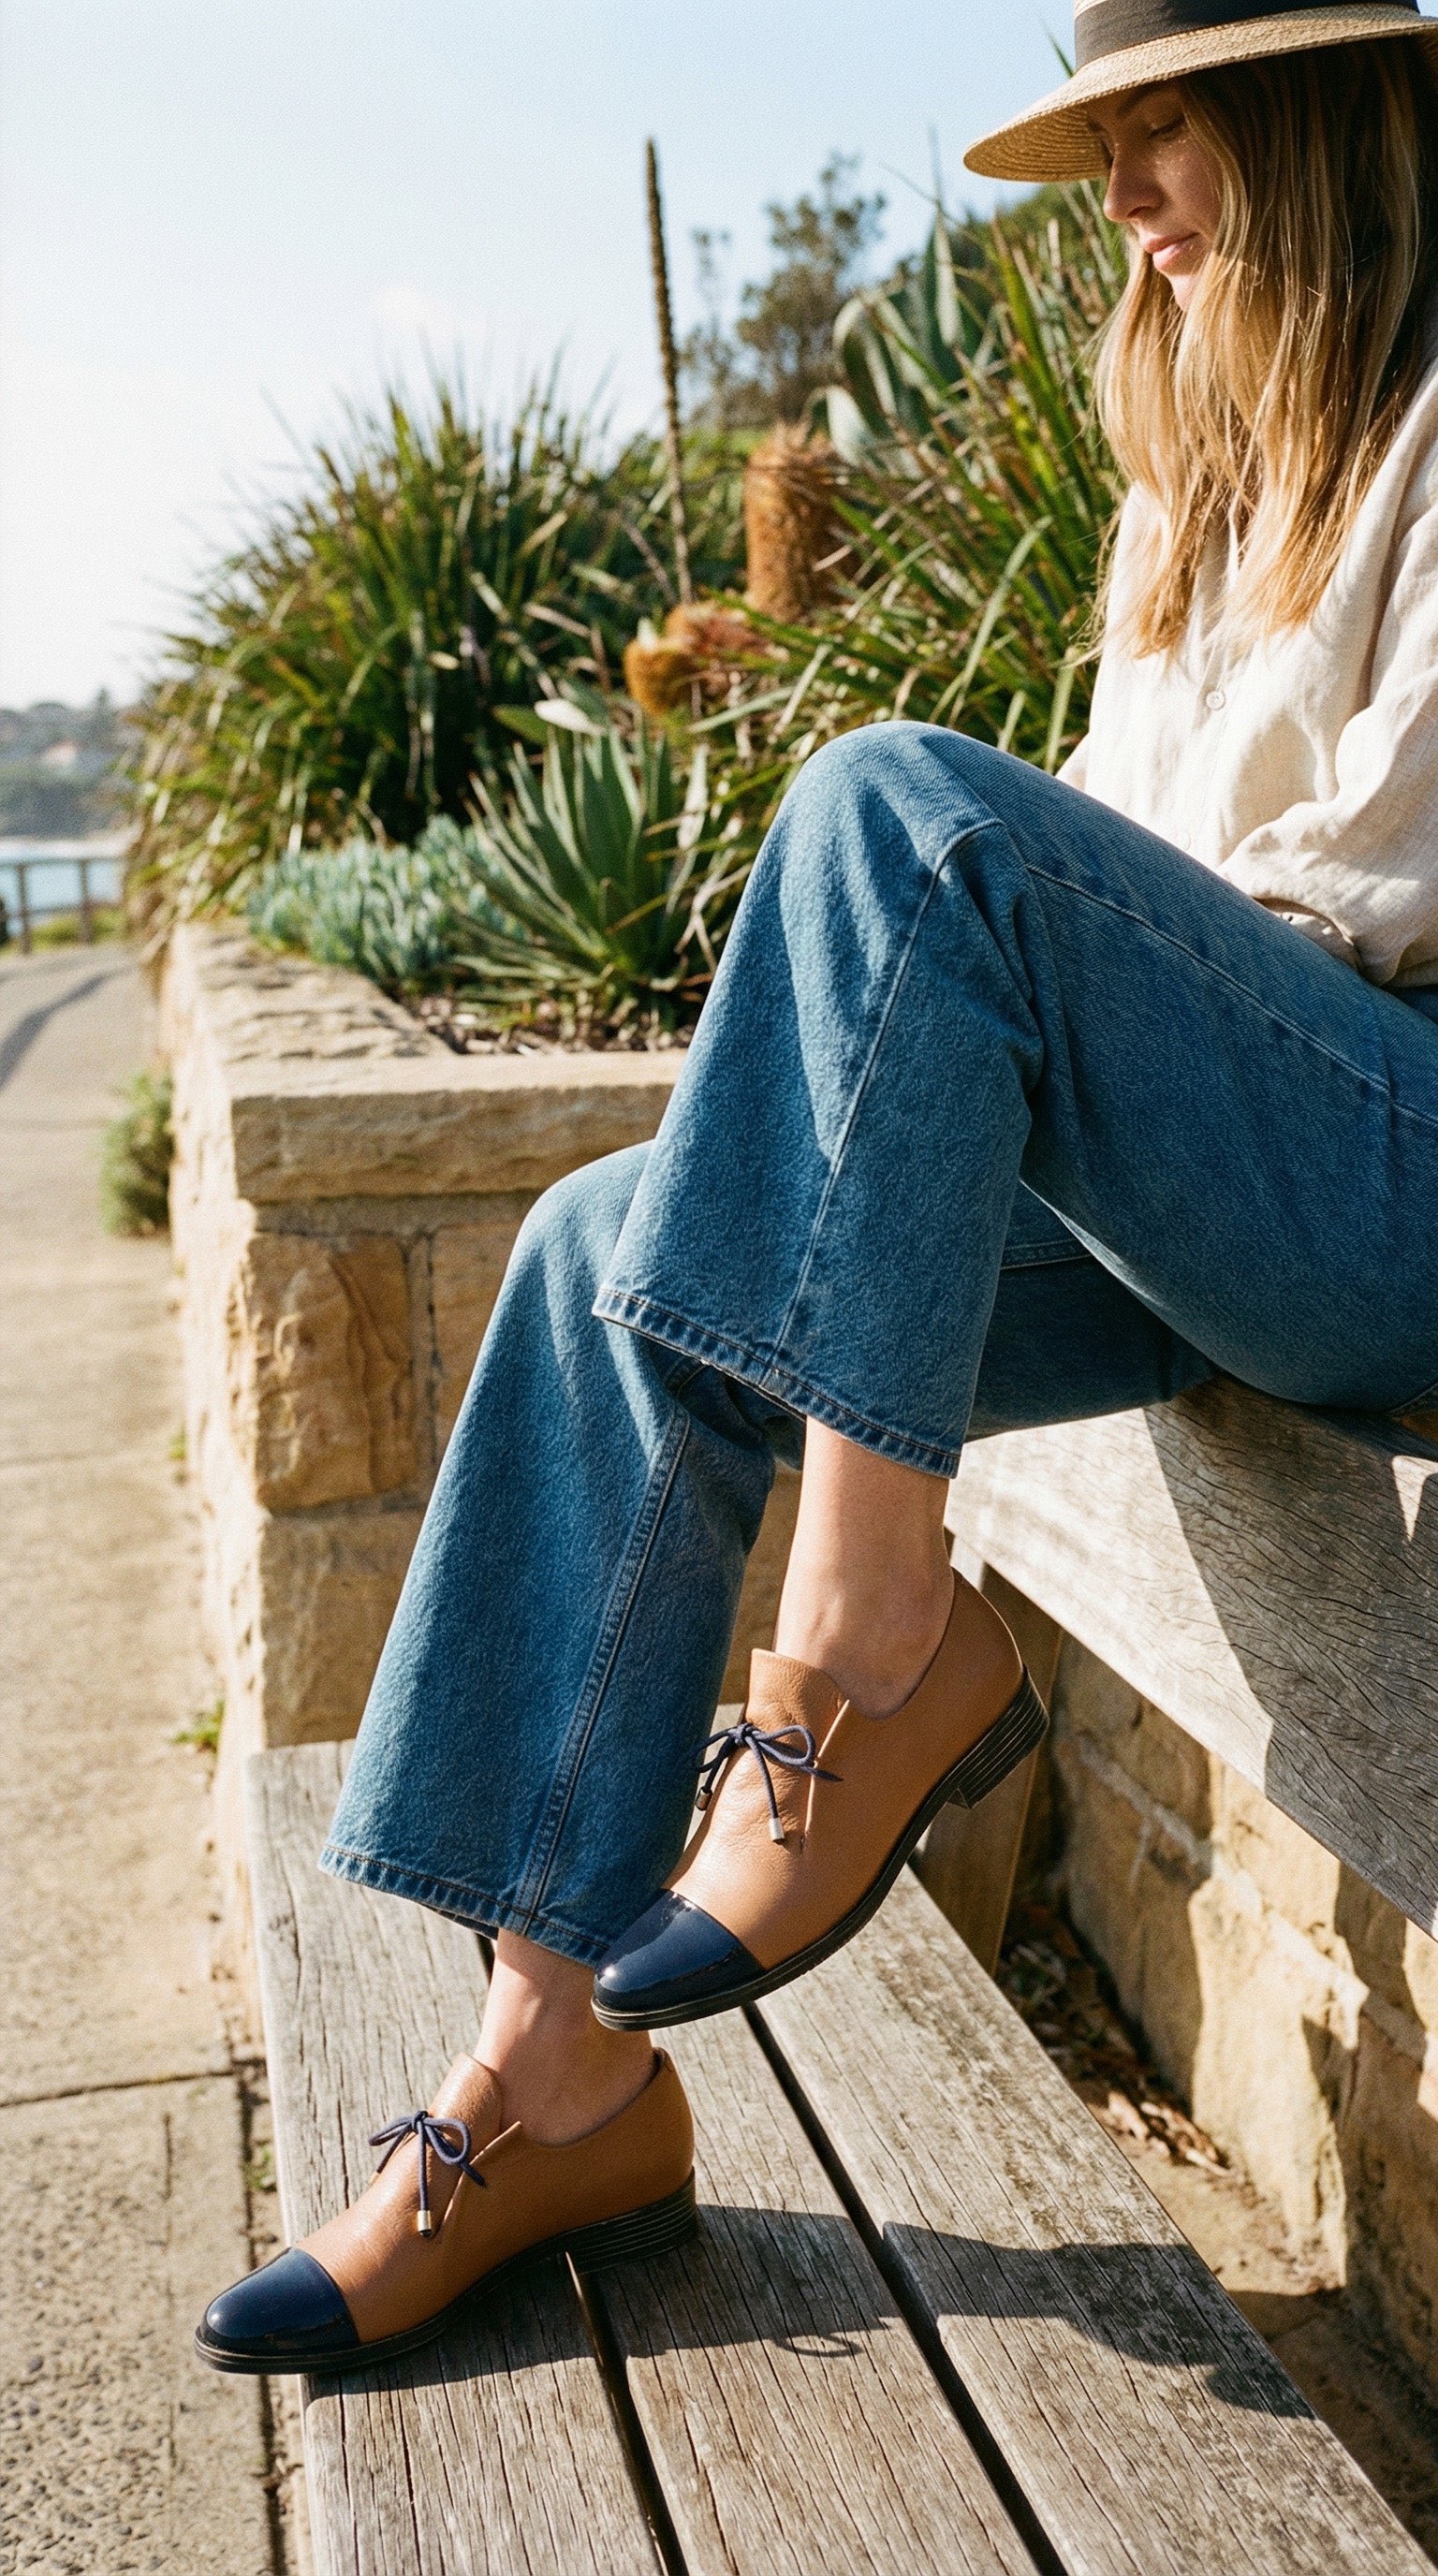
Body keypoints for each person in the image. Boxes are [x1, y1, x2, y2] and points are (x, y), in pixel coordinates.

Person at [198, 0, 1438, 2378]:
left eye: (1162, 127)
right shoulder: (1200, 467)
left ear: (1311, 110)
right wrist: (1052, 1027)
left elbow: (1349, 902)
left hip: (1395, 1188)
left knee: (901, 812)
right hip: (1210, 1184)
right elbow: (1103, 909)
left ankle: (865, 1652)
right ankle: (540, 2067)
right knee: (603, 1246)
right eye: (1101, 151)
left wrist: (1089, 994)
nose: (1126, 200)